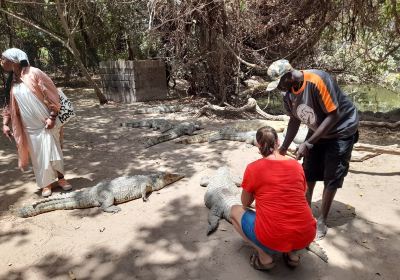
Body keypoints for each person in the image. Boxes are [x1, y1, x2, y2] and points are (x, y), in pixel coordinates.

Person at [266, 59, 359, 240]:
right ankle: (306, 214)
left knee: (331, 176)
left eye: (279, 84)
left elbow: (333, 115)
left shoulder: (318, 80)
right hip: (317, 130)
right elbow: (294, 120)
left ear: (288, 76)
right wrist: (284, 148)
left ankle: (322, 220)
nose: (278, 89)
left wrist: (308, 143)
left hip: (341, 130)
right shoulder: (288, 94)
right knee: (308, 171)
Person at [230, 126, 316, 270]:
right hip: (306, 233)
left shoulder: (253, 168)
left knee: (234, 211)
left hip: (273, 236)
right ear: (278, 141)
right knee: (289, 215)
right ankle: (292, 255)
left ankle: (264, 258)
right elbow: (302, 194)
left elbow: (244, 203)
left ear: (258, 145)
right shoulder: (296, 165)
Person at [1, 48, 72, 197]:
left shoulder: (34, 73)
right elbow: (9, 105)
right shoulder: (11, 80)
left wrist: (52, 117)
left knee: (55, 151)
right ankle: (46, 184)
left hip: (46, 122)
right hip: (29, 127)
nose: (1, 62)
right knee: (38, 156)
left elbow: (52, 94)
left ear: (13, 61)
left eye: (3, 58)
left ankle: (61, 179)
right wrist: (5, 123)